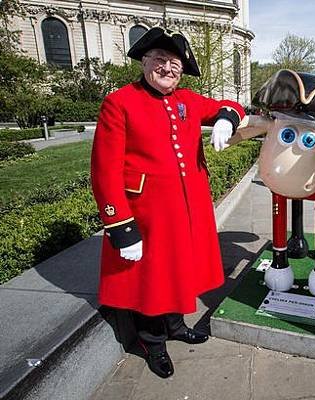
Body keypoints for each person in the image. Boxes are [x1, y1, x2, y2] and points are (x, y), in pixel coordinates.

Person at [90, 26, 245, 379]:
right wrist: (119, 224)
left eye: (174, 63)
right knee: (152, 278)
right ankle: (152, 341)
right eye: (159, 60)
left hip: (186, 209)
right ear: (144, 63)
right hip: (146, 213)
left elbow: (232, 104)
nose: (167, 68)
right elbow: (104, 169)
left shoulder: (188, 101)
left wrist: (225, 118)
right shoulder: (120, 102)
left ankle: (175, 325)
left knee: (177, 270)